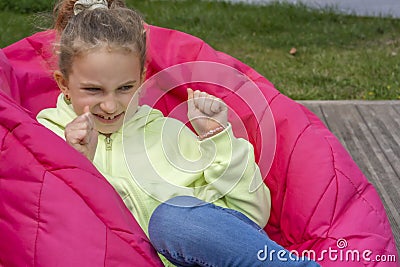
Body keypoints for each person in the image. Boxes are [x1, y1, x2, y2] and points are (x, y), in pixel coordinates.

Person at [37, 0, 320, 266]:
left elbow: (252, 216)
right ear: (63, 84)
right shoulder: (46, 136)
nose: (110, 105)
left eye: (125, 87)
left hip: (198, 257)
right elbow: (47, 229)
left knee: (170, 219)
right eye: (93, 90)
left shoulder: (167, 134)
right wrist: (77, 163)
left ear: (142, 79)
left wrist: (217, 138)